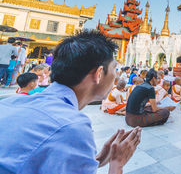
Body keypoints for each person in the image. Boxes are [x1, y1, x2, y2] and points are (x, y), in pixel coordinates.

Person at [0, 30, 141, 174]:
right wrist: (117, 163)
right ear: (99, 74)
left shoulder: (12, 102)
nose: (116, 75)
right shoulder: (73, 127)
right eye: (114, 68)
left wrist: (94, 160)